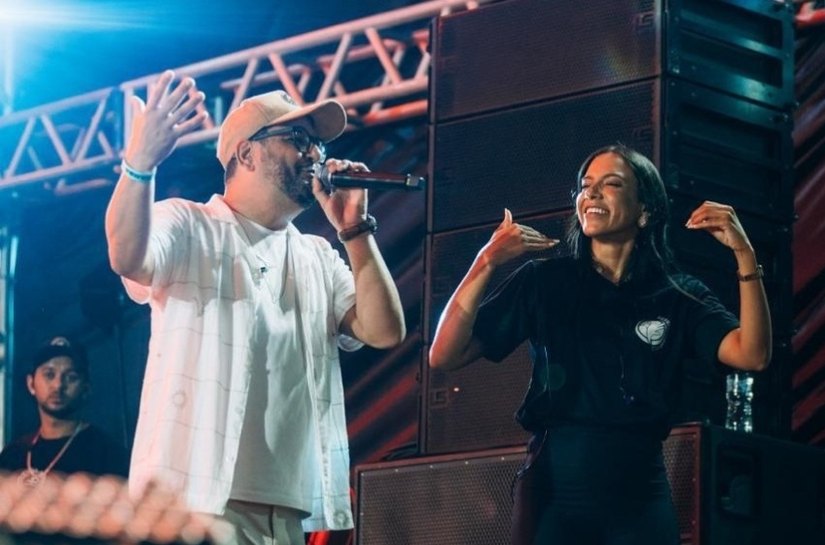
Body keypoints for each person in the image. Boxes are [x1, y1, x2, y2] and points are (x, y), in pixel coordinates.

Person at [104, 70, 405, 545]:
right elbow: (125, 255)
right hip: (191, 504)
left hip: (283, 509)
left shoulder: (316, 256)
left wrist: (355, 229)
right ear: (247, 152)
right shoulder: (188, 225)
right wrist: (140, 163)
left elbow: (384, 330)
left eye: (318, 145)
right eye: (298, 139)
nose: (314, 154)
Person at [428, 144, 772, 545]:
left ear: (645, 210)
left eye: (611, 184)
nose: (591, 193)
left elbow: (752, 354)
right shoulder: (544, 281)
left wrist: (745, 256)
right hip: (556, 489)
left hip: (640, 494)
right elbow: (445, 354)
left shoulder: (677, 294)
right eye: (585, 186)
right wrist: (486, 261)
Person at [0, 336, 129, 482]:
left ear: (86, 388)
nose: (58, 385)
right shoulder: (13, 455)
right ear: (31, 384)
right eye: (49, 375)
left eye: (71, 377)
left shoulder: (107, 454)